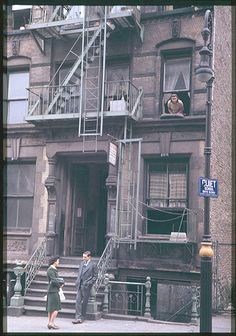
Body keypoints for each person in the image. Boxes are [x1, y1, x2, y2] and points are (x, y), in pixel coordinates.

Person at [72, 251, 98, 324]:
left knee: (84, 303)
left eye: (85, 257)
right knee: (78, 301)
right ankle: (77, 317)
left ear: (89, 257)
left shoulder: (93, 265)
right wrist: (77, 281)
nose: (83, 258)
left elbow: (95, 277)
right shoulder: (82, 263)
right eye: (83, 257)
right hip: (80, 285)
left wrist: (89, 283)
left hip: (86, 286)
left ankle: (82, 317)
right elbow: (79, 273)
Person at [46, 256, 64, 330]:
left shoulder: (53, 269)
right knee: (56, 307)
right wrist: (60, 285)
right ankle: (51, 323)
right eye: (58, 261)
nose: (58, 262)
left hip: (52, 290)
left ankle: (50, 323)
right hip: (53, 290)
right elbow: (54, 280)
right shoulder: (51, 270)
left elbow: (55, 280)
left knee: (51, 308)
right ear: (54, 261)